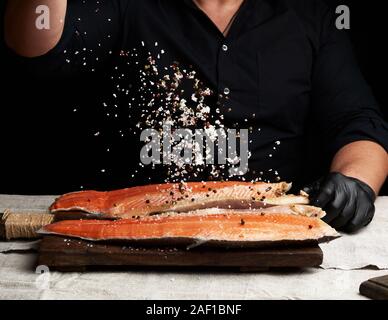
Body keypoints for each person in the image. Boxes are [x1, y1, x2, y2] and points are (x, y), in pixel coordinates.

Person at [4, 0, 388, 232]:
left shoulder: (311, 15)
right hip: (138, 231)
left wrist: (355, 183)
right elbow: (36, 45)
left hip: (269, 229)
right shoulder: (128, 6)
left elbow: (357, 121)